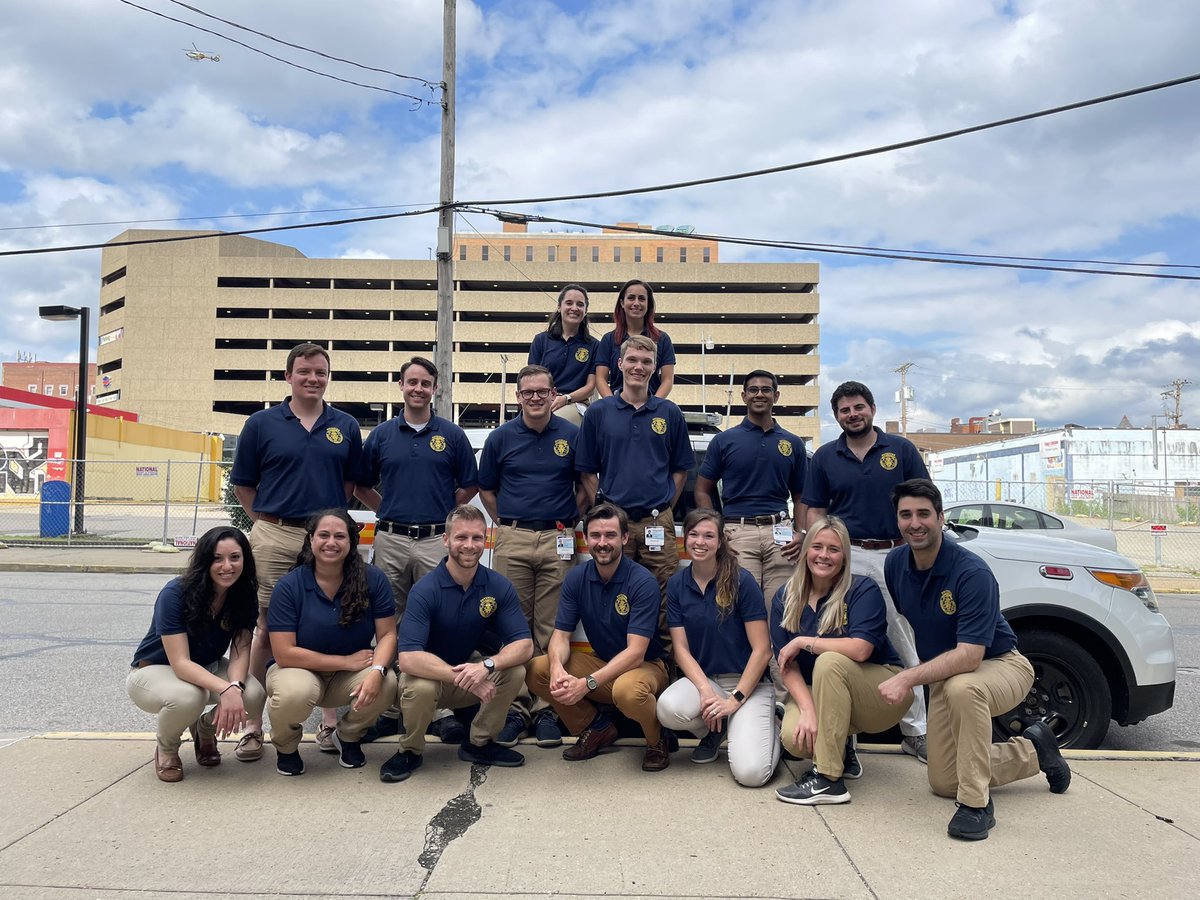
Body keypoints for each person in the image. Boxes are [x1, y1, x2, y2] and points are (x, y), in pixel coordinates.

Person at [882, 479, 1071, 840]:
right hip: (946, 676)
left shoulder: (972, 572)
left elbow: (970, 656)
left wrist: (906, 678)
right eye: (906, 515)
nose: (915, 523)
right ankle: (1035, 751)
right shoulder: (895, 564)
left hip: (1002, 665)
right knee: (943, 780)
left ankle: (976, 805)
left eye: (924, 513)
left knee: (962, 686)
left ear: (940, 518)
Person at [230, 342, 363, 761]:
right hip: (274, 533)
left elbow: (348, 486)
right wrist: (268, 525)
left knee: (331, 623)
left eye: (320, 372)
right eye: (304, 371)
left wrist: (324, 526)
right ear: (288, 376)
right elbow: (243, 485)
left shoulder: (345, 425)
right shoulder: (261, 424)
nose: (313, 378)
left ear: (328, 377)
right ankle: (253, 726)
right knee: (265, 630)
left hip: (325, 539)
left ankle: (328, 723)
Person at [802, 380, 929, 762]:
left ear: (872, 409)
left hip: (895, 555)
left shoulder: (901, 449)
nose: (852, 414)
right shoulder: (825, 456)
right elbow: (815, 509)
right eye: (844, 410)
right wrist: (822, 550)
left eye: (858, 407)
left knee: (902, 640)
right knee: (843, 641)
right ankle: (844, 736)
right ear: (836, 416)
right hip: (846, 556)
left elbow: (922, 499)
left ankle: (916, 730)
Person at [355, 356, 479, 745]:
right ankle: (391, 706)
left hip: (432, 540)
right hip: (390, 538)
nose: (419, 389)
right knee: (387, 621)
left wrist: (442, 517)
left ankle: (437, 707)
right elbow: (360, 485)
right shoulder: (382, 435)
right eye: (412, 382)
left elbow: (469, 486)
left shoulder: (451, 435)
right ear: (401, 386)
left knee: (434, 619)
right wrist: (388, 511)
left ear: (435, 388)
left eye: (426, 383)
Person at [379, 505, 534, 782]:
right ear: (446, 540)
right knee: (420, 686)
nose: (469, 545)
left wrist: (487, 666)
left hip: (468, 672)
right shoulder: (425, 590)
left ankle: (479, 744)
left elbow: (524, 644)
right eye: (461, 537)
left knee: (515, 670)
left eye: (477, 538)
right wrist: (470, 677)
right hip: (428, 678)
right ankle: (410, 751)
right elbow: (409, 659)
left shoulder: (497, 586)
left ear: (485, 541)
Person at [478, 364, 587, 749]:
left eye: (542, 391)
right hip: (514, 536)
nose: (536, 398)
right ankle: (514, 708)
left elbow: (586, 486)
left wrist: (569, 518)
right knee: (512, 627)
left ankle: (545, 709)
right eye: (528, 393)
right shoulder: (501, 437)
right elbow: (487, 489)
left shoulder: (573, 435)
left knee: (552, 627)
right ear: (518, 397)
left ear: (553, 392)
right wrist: (506, 525)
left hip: (560, 536)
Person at [769, 517, 912, 805]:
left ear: (845, 555)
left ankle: (828, 779)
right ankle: (842, 748)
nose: (824, 555)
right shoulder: (785, 596)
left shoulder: (862, 589)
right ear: (806, 550)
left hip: (882, 689)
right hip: (822, 691)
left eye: (833, 549)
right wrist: (808, 711)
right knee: (794, 739)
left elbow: (860, 650)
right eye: (817, 547)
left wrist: (802, 641)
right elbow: (789, 667)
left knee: (829, 660)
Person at [526, 503, 673, 771]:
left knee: (627, 690)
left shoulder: (642, 582)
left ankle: (656, 739)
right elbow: (560, 635)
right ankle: (596, 728)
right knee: (538, 668)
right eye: (595, 535)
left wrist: (586, 684)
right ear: (586, 538)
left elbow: (636, 652)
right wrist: (558, 668)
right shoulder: (576, 578)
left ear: (625, 538)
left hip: (646, 667)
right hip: (603, 663)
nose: (602, 543)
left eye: (610, 535)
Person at [127, 526, 266, 782]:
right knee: (190, 697)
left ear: (245, 560)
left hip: (207, 666)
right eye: (217, 558)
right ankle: (167, 749)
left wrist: (235, 686)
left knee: (254, 694)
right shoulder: (175, 593)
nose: (227, 566)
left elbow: (241, 650)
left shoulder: (244, 594)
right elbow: (180, 663)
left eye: (235, 557)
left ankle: (204, 729)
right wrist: (225, 690)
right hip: (155, 670)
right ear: (204, 560)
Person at [265, 509, 398, 776]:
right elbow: (283, 654)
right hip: (298, 670)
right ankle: (286, 746)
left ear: (351, 543)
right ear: (311, 539)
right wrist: (345, 661)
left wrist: (376, 672)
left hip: (348, 676)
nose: (331, 543)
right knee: (294, 693)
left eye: (340, 536)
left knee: (387, 682)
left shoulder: (373, 579)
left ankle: (347, 736)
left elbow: (388, 635)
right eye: (323, 535)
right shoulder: (289, 586)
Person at [655, 509, 778, 786]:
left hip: (748, 685)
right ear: (683, 538)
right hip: (707, 680)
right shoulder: (677, 584)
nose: (700, 541)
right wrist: (706, 691)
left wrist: (734, 700)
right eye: (694, 534)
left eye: (709, 535)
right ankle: (719, 729)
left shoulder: (741, 580)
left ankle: (768, 728)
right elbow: (681, 649)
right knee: (667, 708)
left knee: (751, 775)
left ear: (720, 541)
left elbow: (763, 650)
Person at [577, 334, 694, 607]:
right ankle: (621, 650)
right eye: (632, 359)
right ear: (620, 363)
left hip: (658, 523)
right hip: (614, 525)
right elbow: (585, 471)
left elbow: (681, 471)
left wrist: (664, 507)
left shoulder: (669, 412)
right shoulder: (599, 412)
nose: (638, 367)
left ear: (654, 368)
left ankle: (662, 651)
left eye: (646, 361)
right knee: (616, 594)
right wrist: (605, 509)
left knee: (664, 595)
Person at [696, 369, 808, 604]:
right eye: (753, 390)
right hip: (737, 533)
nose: (760, 394)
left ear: (776, 396)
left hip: (782, 534)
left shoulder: (793, 443)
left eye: (766, 389)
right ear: (743, 396)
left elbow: (800, 496)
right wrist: (717, 531)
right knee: (741, 606)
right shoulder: (724, 441)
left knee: (781, 607)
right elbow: (702, 490)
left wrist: (802, 533)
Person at [528, 284, 599, 425]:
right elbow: (532, 380)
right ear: (559, 307)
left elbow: (590, 387)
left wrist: (566, 398)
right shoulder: (541, 340)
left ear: (585, 311)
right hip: (542, 401)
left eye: (580, 304)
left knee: (554, 422)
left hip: (575, 403)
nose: (574, 308)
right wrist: (545, 398)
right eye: (569, 303)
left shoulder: (594, 345)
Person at [594, 279, 675, 399]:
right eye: (631, 298)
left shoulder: (662, 339)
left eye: (642, 299)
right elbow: (600, 378)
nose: (636, 303)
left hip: (651, 404)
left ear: (648, 304)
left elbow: (667, 380)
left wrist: (655, 406)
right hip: (616, 405)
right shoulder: (608, 339)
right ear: (622, 303)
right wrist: (611, 405)